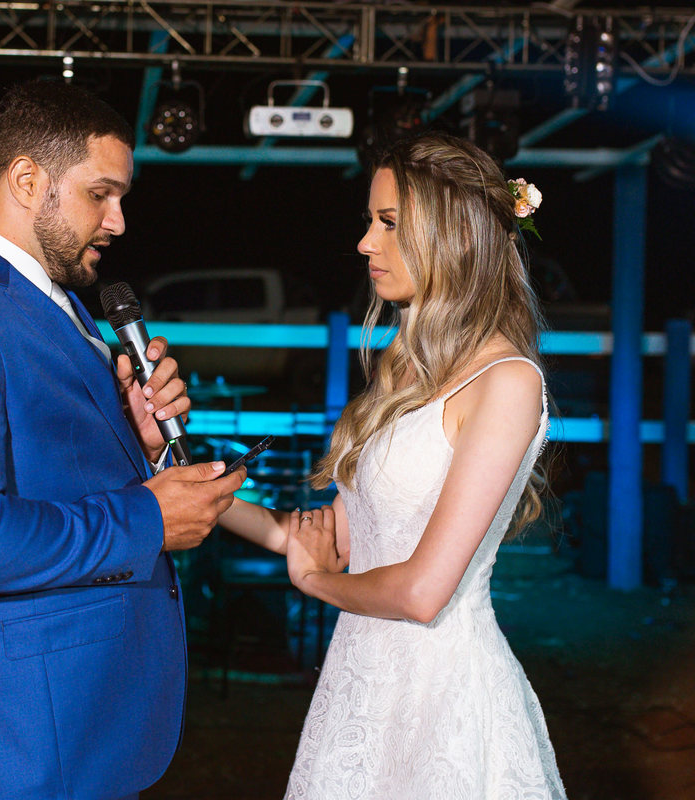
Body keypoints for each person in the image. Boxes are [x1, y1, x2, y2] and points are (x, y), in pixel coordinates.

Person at [0, 80, 246, 800]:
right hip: (13, 745)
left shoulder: (58, 299)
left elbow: (57, 469)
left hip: (83, 722)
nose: (118, 221)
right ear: (26, 179)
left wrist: (142, 447)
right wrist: (148, 517)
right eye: (101, 194)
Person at [219, 130, 567, 798]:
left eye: (388, 223)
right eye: (370, 221)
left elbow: (420, 592)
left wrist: (316, 582)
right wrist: (190, 483)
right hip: (361, 685)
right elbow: (327, 539)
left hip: (442, 697)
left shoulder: (506, 382)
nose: (365, 243)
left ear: (453, 235)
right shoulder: (405, 368)